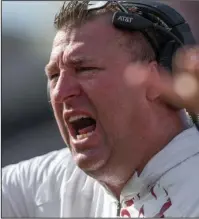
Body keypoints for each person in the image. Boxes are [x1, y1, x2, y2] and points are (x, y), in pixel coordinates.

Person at [2, 1, 199, 217]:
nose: (59, 93)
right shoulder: (58, 180)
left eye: (85, 69)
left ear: (155, 78)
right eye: (54, 76)